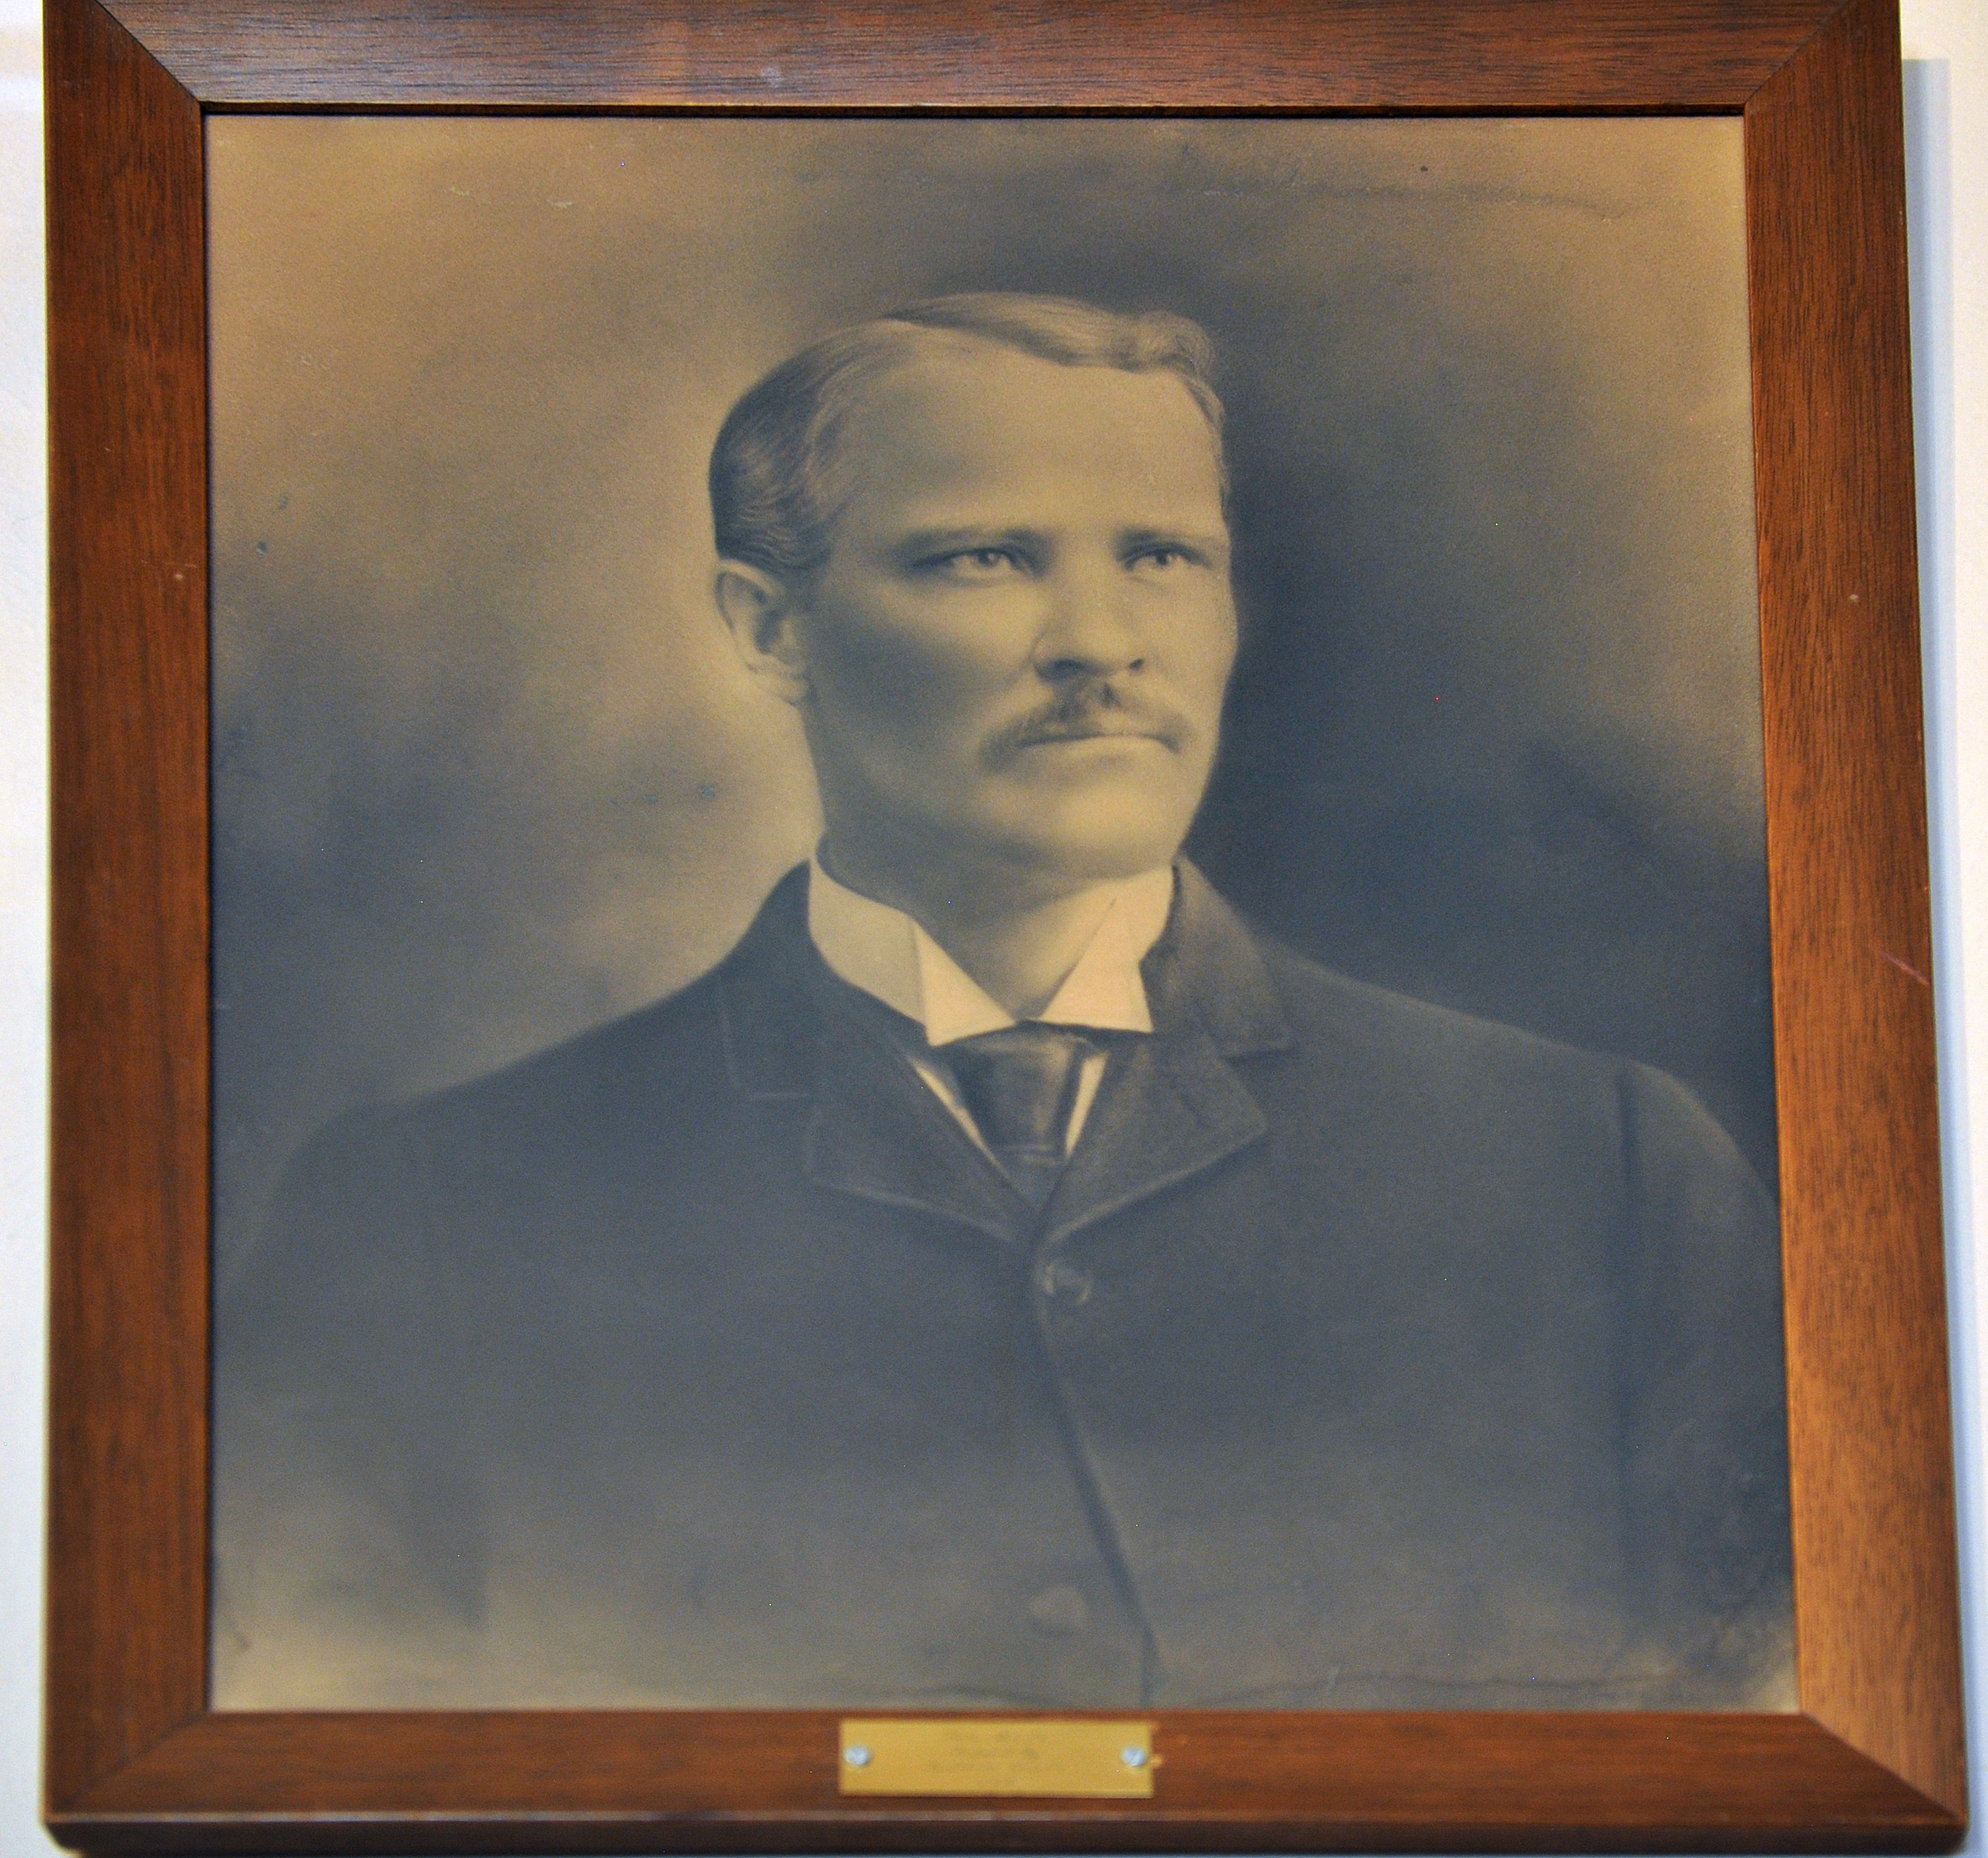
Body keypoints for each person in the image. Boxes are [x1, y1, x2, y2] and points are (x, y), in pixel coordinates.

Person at [213, 293, 1792, 1711]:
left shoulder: (1605, 1169)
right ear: (770, 630)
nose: (1101, 645)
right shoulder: (423, 1218)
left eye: (1161, 557)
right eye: (984, 556)